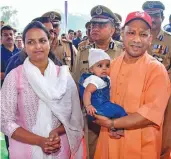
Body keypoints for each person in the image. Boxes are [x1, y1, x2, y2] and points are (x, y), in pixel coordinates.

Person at [92, 11, 171, 159]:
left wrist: (113, 123)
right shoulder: (111, 66)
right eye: (131, 33)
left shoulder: (156, 70)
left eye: (143, 34)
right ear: (122, 34)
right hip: (109, 143)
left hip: (141, 148)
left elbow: (149, 115)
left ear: (150, 39)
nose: (137, 39)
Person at [1, 21, 84, 159]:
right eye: (31, 42)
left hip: (59, 147)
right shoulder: (14, 77)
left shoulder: (63, 76)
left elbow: (75, 118)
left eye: (42, 40)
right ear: (24, 46)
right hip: (25, 149)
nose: (38, 46)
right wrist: (40, 141)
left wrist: (56, 132)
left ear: (49, 43)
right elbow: (4, 121)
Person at [73, 5, 123, 159]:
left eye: (101, 25)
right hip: (92, 115)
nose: (95, 28)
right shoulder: (83, 51)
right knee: (92, 152)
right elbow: (76, 83)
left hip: (116, 114)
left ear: (112, 29)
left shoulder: (123, 50)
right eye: (94, 24)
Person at [142, 2, 171, 158]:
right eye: (148, 15)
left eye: (155, 15)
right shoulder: (137, 36)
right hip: (139, 94)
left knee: (164, 137)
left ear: (162, 17)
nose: (152, 19)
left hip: (163, 97)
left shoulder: (169, 40)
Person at [79, 48, 127, 121]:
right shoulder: (94, 80)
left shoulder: (106, 78)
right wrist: (88, 106)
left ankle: (115, 128)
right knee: (120, 111)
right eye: (100, 66)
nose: (104, 68)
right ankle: (118, 127)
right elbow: (87, 92)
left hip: (104, 104)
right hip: (97, 108)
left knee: (116, 113)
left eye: (107, 66)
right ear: (91, 69)